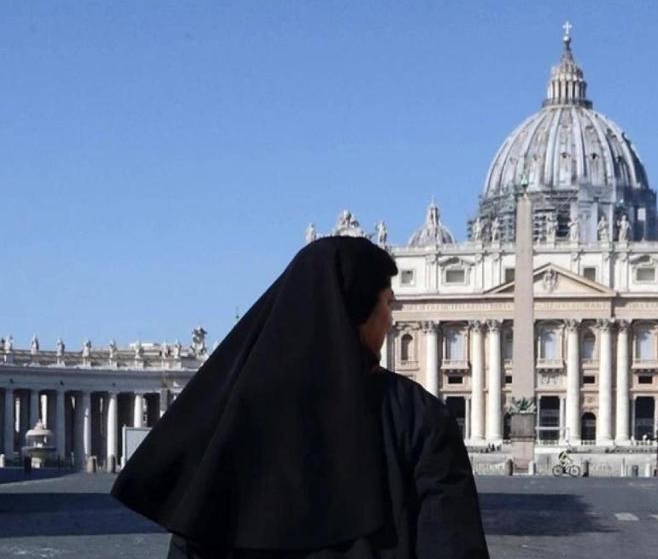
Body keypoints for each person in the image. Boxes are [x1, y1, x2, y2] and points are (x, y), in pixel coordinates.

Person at [111, 236, 489, 558]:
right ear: (355, 311)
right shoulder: (418, 416)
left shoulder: (235, 415)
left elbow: (194, 536)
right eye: (388, 303)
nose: (391, 320)